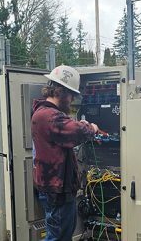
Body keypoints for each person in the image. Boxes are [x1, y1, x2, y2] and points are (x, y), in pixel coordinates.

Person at [32, 65, 99, 241]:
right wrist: (91, 127)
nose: (71, 100)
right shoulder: (49, 116)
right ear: (60, 91)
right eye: (70, 95)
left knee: (60, 235)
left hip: (57, 188)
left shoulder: (46, 114)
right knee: (58, 237)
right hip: (57, 190)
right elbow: (79, 131)